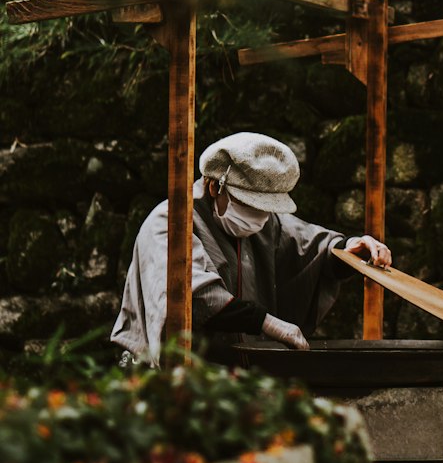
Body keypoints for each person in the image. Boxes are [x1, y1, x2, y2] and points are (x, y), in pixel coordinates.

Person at [111, 131, 391, 364]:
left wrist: (349, 250)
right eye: (249, 205)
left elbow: (311, 248)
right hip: (169, 381)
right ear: (214, 188)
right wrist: (270, 324)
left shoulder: (267, 224)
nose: (259, 217)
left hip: (235, 383)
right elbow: (194, 296)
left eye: (266, 209)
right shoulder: (171, 221)